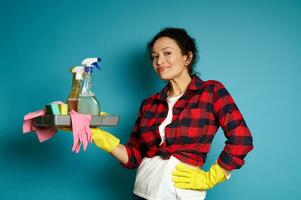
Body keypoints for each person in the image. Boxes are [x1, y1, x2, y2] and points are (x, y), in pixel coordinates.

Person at [91, 27, 254, 200]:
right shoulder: (149, 104)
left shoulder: (211, 91)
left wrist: (211, 177)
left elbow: (241, 139)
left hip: (181, 194)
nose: (159, 61)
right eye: (155, 57)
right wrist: (100, 137)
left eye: (167, 53)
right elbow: (134, 157)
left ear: (187, 57)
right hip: (142, 191)